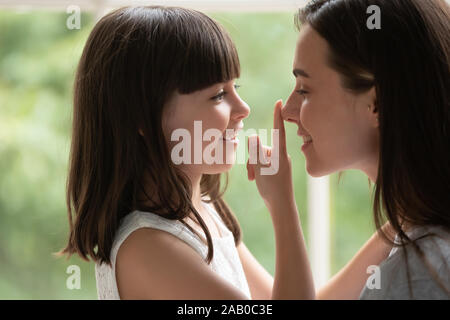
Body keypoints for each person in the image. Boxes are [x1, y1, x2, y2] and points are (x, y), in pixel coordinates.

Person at [57, 6, 315, 300]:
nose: (243, 109)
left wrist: (381, 236)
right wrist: (282, 206)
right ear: (143, 117)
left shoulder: (203, 209)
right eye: (218, 95)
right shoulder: (149, 248)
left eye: (235, 87)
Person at [249, 0, 450, 299]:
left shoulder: (420, 273)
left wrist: (281, 209)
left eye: (304, 90)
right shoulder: (415, 224)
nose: (288, 111)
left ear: (376, 104)